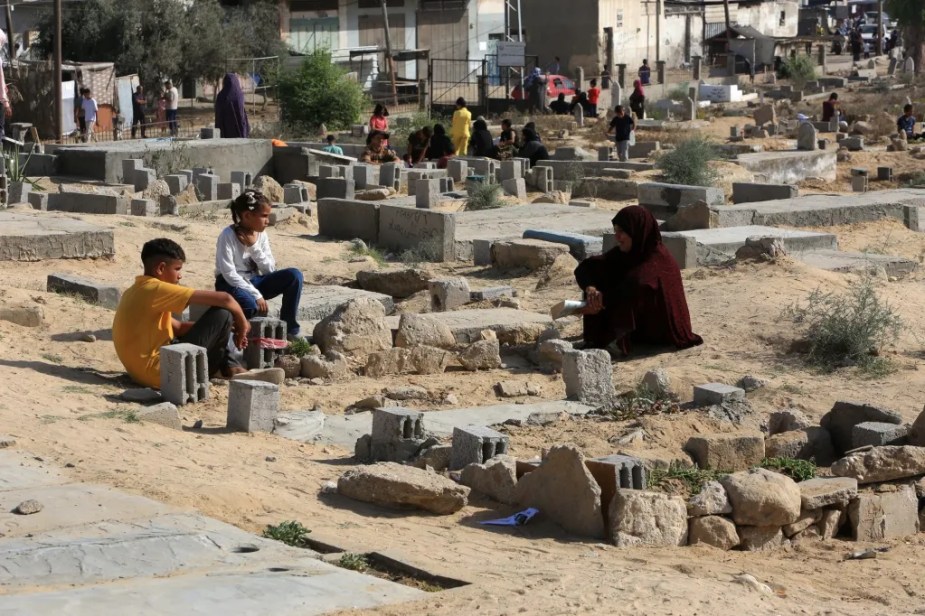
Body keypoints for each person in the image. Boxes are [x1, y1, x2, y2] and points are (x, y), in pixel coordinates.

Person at [112, 238, 249, 389]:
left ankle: (228, 366)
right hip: (164, 375)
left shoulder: (135, 291)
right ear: (161, 268)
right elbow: (226, 299)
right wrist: (243, 324)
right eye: (177, 269)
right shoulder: (156, 289)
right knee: (223, 314)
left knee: (220, 323)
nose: (180, 276)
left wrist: (221, 330)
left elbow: (177, 327)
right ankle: (228, 368)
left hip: (142, 375)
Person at [573, 206, 703, 355]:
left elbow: (636, 287)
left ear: (637, 231)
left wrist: (601, 302)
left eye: (622, 231)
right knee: (600, 277)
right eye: (616, 231)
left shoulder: (658, 260)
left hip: (656, 333)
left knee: (625, 290)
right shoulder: (628, 252)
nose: (617, 237)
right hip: (635, 325)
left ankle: (614, 340)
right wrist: (591, 289)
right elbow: (587, 267)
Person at [215, 190, 305, 340]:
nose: (267, 221)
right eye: (264, 216)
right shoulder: (227, 235)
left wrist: (253, 247)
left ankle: (290, 329)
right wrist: (256, 295)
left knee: (294, 276)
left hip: (254, 281)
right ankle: (236, 334)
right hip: (230, 284)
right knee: (251, 305)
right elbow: (229, 274)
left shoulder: (261, 234)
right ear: (247, 216)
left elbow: (269, 270)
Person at [214, 72, 250, 139]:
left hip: (225, 132)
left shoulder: (221, 96)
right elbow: (241, 115)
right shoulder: (239, 95)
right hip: (239, 131)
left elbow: (218, 115)